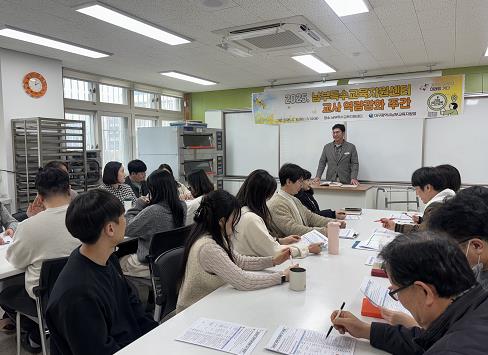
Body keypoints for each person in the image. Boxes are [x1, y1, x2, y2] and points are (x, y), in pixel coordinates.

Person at [330, 232, 488, 355]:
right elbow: (427, 341)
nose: (398, 299)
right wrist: (365, 329)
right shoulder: (474, 305)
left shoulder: (453, 349)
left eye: (396, 291)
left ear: (425, 292)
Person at [46, 189, 157, 355]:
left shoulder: (108, 259)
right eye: (123, 217)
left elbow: (133, 307)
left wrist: (158, 335)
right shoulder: (77, 294)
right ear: (110, 229)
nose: (126, 222)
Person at [381, 187, 488, 329]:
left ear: (476, 246)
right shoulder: (479, 266)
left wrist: (416, 325)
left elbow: (471, 334)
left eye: (450, 248)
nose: (446, 255)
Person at [0, 168, 81, 352]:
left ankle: (36, 335)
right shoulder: (85, 216)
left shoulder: (29, 226)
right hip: (83, 291)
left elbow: (15, 260)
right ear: (69, 188)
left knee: (6, 293)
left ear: (39, 195)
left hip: (45, 298)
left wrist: (31, 220)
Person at [176, 190, 296, 313]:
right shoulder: (208, 246)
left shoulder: (216, 236)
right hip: (193, 311)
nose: (235, 224)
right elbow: (243, 281)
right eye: (233, 219)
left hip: (211, 302)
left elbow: (238, 260)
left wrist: (273, 261)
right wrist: (282, 276)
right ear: (222, 221)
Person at [234, 169, 322, 258]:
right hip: (255, 264)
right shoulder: (251, 218)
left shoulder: (241, 211)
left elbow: (261, 241)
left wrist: (280, 241)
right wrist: (308, 249)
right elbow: (274, 252)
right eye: (268, 196)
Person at [121, 169, 187, 278]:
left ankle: (135, 294)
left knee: (117, 261)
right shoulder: (182, 206)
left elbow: (127, 229)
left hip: (149, 263)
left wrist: (138, 205)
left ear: (154, 189)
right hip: (171, 259)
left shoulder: (153, 211)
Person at [268, 164, 343, 238]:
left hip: (302, 242)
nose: (301, 185)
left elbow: (310, 217)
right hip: (290, 246)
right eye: (299, 181)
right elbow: (293, 229)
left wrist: (333, 223)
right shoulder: (277, 204)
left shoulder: (294, 199)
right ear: (288, 182)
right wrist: (323, 231)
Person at [380, 166, 455, 233]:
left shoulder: (436, 207)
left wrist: (395, 226)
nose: (417, 194)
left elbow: (422, 233)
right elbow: (435, 225)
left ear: (428, 187)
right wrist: (421, 220)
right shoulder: (447, 198)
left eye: (417, 189)